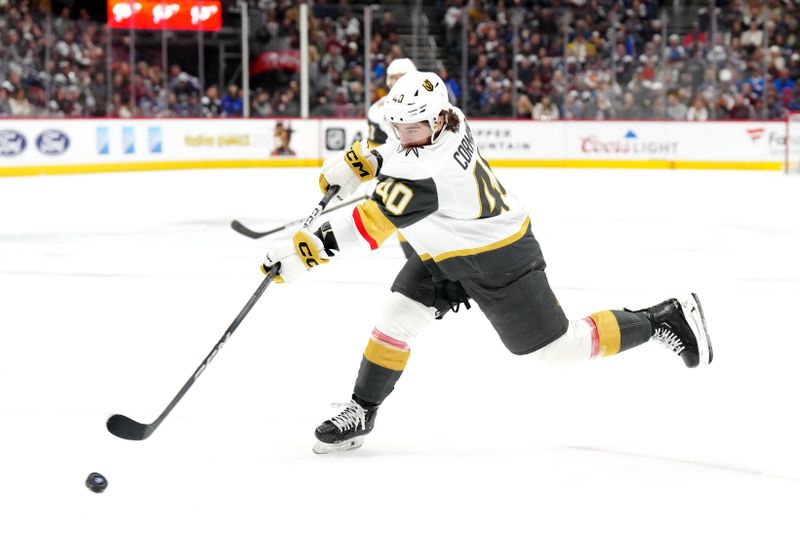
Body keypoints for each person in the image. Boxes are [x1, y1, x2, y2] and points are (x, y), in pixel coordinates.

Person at [260, 72, 713, 454]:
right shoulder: (450, 124)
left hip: (498, 259)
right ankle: (363, 411)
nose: (404, 134)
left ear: (436, 119)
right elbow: (404, 152)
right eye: (397, 126)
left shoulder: (429, 178)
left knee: (561, 350)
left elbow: (369, 225)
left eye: (413, 126)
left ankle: (662, 319)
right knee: (396, 318)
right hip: (443, 250)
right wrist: (370, 159)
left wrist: (305, 252)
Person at [366, 57, 417, 258]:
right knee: (405, 221)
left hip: (426, 174)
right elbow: (376, 151)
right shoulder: (378, 110)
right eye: (393, 78)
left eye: (401, 77)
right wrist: (378, 180)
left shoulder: (430, 104)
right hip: (400, 176)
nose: (396, 83)